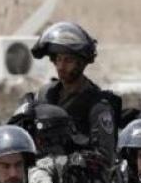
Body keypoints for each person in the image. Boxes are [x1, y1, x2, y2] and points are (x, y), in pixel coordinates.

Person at [31, 21, 120, 165]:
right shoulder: (45, 95)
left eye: (68, 60)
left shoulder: (98, 106)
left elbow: (105, 156)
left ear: (81, 62)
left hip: (78, 176)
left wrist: (69, 161)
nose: (61, 66)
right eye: (58, 59)